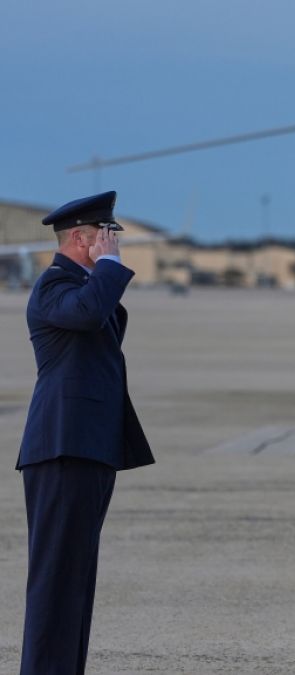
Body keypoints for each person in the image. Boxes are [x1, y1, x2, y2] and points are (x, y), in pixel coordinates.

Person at [17, 191, 155, 675]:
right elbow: (87, 314)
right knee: (56, 581)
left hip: (88, 446)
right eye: (106, 235)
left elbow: (98, 314)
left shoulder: (81, 287)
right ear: (80, 238)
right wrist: (109, 266)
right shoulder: (55, 286)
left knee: (74, 580)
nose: (113, 243)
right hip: (62, 448)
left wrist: (104, 270)